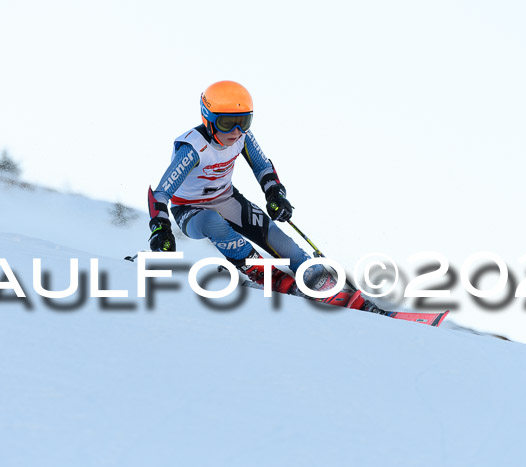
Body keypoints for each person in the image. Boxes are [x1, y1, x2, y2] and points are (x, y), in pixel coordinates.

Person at [147, 80, 370, 310]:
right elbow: (161, 194)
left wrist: (274, 194)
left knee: (280, 241)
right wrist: (161, 228)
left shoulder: (243, 137)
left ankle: (320, 280)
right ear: (208, 119)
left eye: (243, 121)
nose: (236, 131)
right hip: (191, 210)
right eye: (226, 123)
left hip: (227, 199)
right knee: (215, 224)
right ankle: (269, 278)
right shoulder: (193, 147)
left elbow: (262, 166)